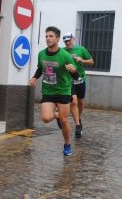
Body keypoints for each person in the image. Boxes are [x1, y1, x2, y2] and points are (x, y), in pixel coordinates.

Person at [29, 26, 77, 156]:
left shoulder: (65, 56)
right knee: (45, 118)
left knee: (64, 120)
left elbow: (76, 77)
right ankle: (58, 115)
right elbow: (40, 68)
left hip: (63, 91)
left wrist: (74, 71)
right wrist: (34, 77)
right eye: (46, 36)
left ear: (57, 38)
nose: (48, 38)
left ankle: (67, 144)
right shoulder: (42, 54)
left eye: (50, 36)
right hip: (48, 91)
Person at [63, 32, 94, 138]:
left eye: (69, 40)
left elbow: (91, 61)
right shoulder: (62, 51)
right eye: (66, 41)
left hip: (80, 79)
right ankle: (77, 125)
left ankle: (78, 119)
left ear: (73, 39)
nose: (68, 43)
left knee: (80, 101)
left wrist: (82, 60)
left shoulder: (81, 49)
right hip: (69, 80)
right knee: (74, 101)